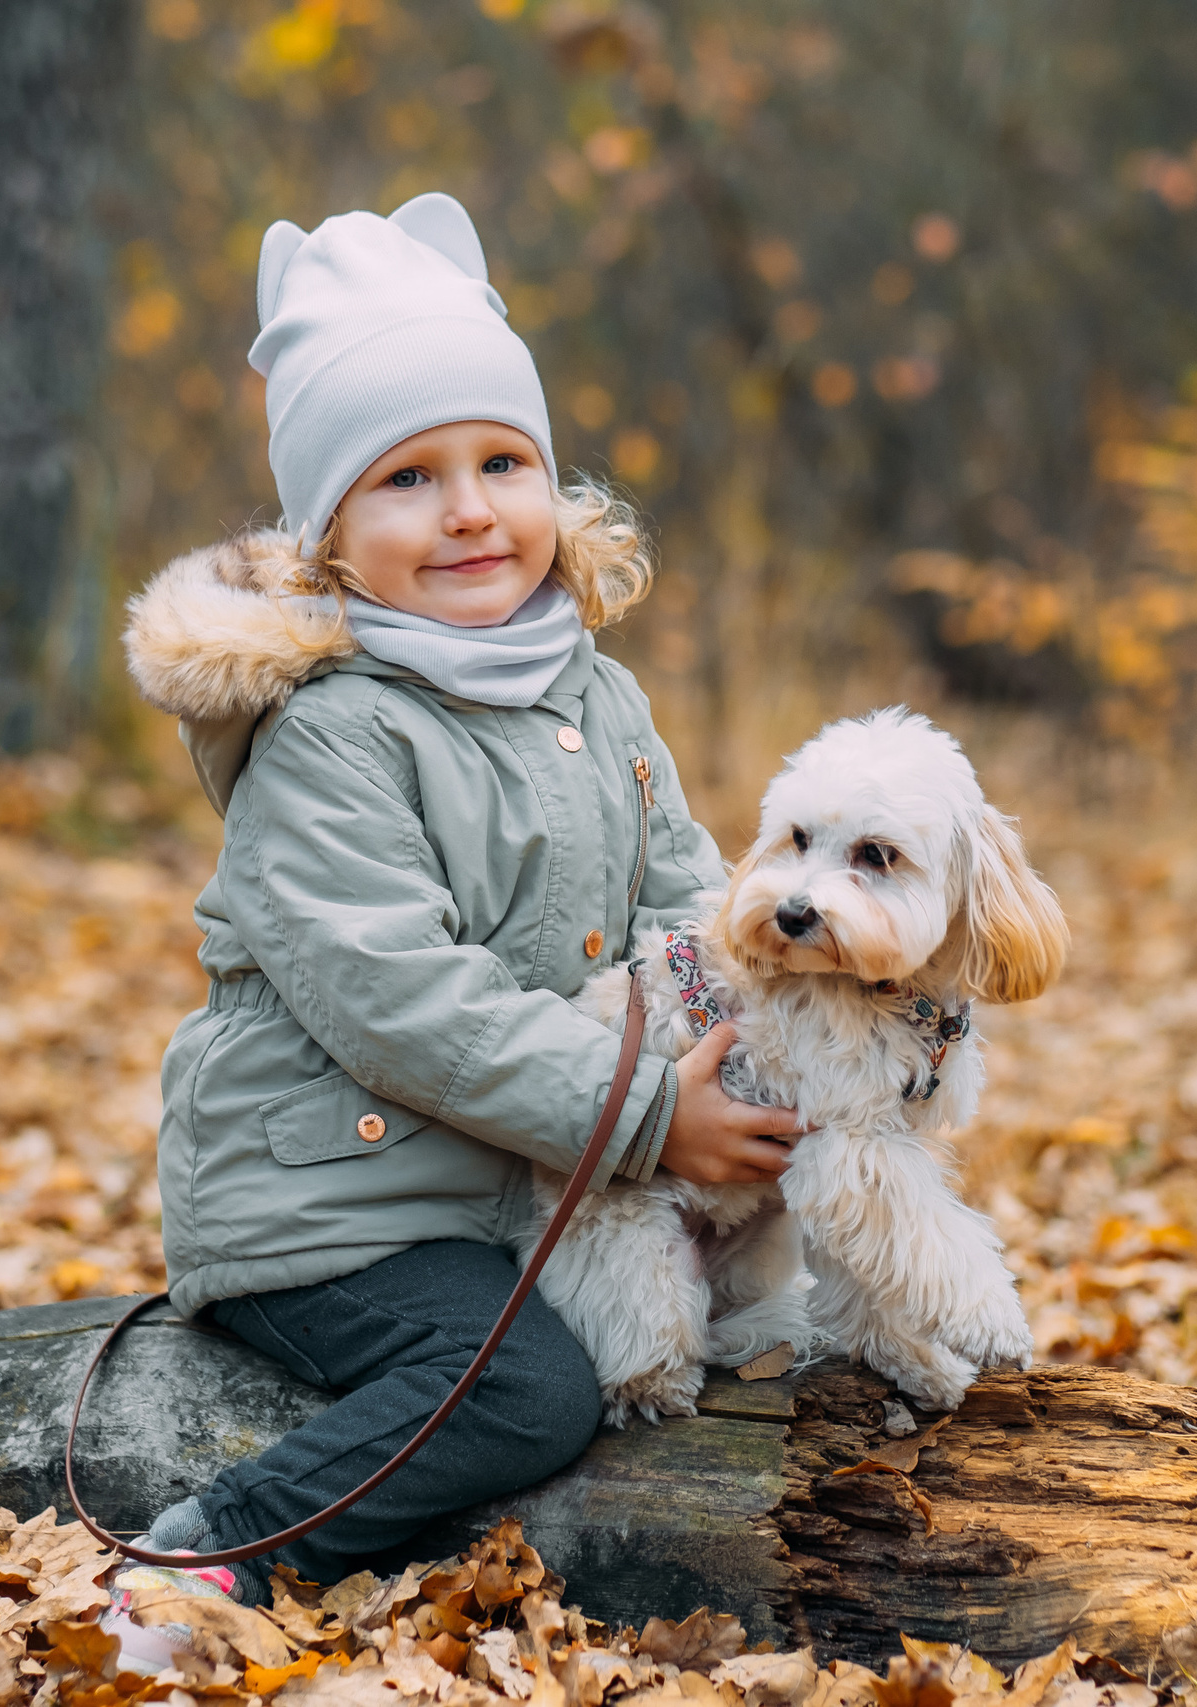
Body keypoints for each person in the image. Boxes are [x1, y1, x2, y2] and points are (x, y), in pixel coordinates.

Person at [99, 193, 806, 1654]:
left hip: (517, 1172)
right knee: (526, 1392)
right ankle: (221, 1548)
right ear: (331, 536)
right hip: (331, 1206)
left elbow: (683, 896)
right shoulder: (330, 732)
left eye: (502, 461)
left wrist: (736, 1063)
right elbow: (393, 995)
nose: (472, 508)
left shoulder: (594, 692)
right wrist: (639, 1122)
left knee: (738, 1300)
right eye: (408, 478)